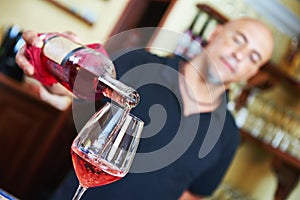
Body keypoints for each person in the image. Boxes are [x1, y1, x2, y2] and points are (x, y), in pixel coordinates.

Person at [15, 17, 274, 200]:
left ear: (252, 73)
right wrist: (49, 62)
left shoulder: (228, 136)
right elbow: (71, 84)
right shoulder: (139, 64)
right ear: (216, 33)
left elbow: (191, 196)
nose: (240, 55)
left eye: (253, 57)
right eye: (239, 40)